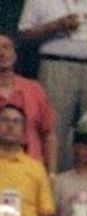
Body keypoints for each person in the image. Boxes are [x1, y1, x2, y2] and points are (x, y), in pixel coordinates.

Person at [17, 0, 87, 171]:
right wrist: (56, 25)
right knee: (54, 127)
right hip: (57, 63)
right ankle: (53, 180)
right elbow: (25, 33)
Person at [0, 104, 55, 216]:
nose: (10, 125)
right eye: (5, 120)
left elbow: (45, 215)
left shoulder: (36, 168)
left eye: (16, 122)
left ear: (24, 132)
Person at [0, 33, 58, 172]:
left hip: (31, 171)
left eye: (6, 47)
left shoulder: (34, 89)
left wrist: (51, 174)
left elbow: (49, 134)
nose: (2, 53)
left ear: (15, 54)